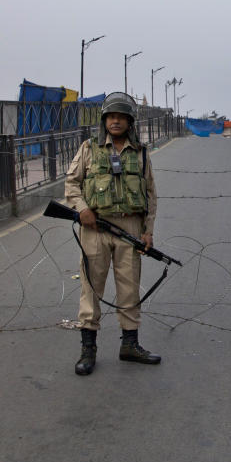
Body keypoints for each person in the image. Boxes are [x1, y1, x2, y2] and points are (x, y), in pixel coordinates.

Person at [64, 91, 161, 376]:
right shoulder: (88, 149)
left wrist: (148, 233)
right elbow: (72, 184)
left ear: (130, 122)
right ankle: (88, 349)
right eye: (111, 117)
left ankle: (129, 344)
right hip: (95, 228)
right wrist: (82, 209)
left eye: (121, 117)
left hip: (130, 227)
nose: (115, 121)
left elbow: (151, 196)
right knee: (91, 289)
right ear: (104, 120)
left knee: (129, 288)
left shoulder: (141, 154)